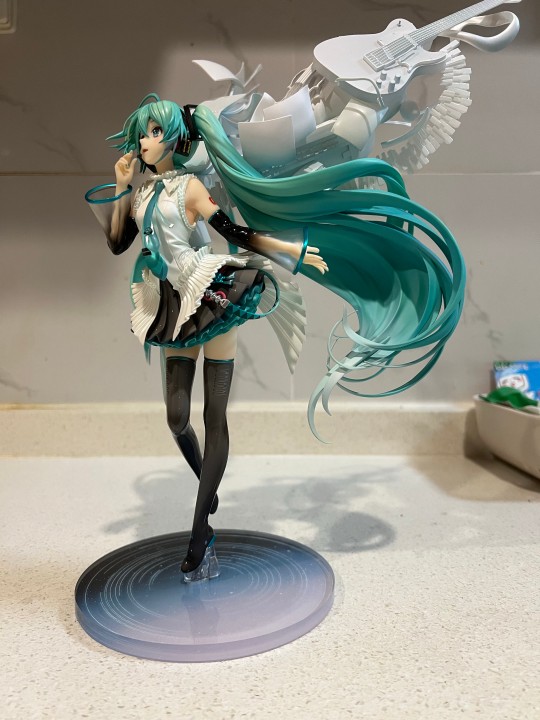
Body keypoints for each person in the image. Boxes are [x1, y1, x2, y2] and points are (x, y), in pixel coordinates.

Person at [86, 94, 465, 578]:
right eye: (143, 133)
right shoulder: (142, 195)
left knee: (213, 414)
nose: (145, 141)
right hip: (170, 304)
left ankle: (201, 529)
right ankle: (208, 484)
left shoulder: (190, 189)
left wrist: (292, 251)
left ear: (176, 138)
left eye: (155, 132)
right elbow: (118, 242)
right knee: (177, 419)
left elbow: (235, 232)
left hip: (211, 293)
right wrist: (122, 187)